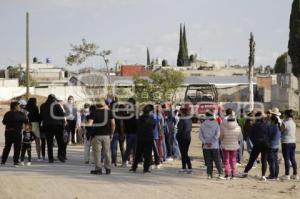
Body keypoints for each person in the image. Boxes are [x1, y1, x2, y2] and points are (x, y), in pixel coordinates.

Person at [88, 100, 115, 175]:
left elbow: (89, 124)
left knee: (97, 153)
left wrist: (90, 132)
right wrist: (112, 134)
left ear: (96, 105)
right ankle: (108, 168)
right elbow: (113, 124)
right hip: (106, 135)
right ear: (104, 105)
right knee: (107, 152)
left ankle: (98, 169)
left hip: (96, 135)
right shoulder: (109, 112)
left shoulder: (94, 112)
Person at [241, 111, 269, 181]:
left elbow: (250, 135)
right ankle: (263, 176)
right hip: (265, 144)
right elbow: (269, 134)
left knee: (252, 159)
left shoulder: (254, 125)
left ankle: (245, 172)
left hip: (257, 144)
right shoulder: (267, 125)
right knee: (264, 160)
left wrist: (254, 141)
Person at [130, 104, 156, 173]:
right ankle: (146, 168)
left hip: (140, 137)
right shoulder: (152, 118)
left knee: (138, 153)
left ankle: (134, 167)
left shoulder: (139, 118)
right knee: (148, 154)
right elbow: (153, 126)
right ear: (150, 111)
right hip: (149, 137)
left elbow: (136, 126)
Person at [40, 94, 66, 163]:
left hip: (47, 126)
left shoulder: (43, 105)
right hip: (57, 125)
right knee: (60, 142)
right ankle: (60, 156)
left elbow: (41, 116)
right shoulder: (56, 105)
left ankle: (50, 158)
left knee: (49, 143)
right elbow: (62, 115)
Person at [1, 101, 28, 166]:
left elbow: (4, 122)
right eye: (19, 106)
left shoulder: (7, 113)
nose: (20, 107)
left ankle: (3, 161)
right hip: (17, 132)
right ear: (15, 107)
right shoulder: (21, 114)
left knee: (7, 147)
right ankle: (15, 162)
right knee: (17, 147)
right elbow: (26, 122)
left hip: (8, 132)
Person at [199, 111, 224, 179]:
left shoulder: (203, 124)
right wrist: (212, 142)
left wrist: (206, 142)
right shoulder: (216, 124)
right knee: (217, 160)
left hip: (206, 146)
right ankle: (220, 173)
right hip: (214, 146)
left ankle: (209, 174)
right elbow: (217, 135)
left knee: (209, 161)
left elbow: (200, 136)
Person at [220, 111, 242, 179]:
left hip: (225, 145)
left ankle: (226, 174)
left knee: (226, 160)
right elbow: (240, 138)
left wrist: (223, 140)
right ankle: (233, 174)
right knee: (233, 160)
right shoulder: (238, 128)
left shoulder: (224, 127)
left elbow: (221, 137)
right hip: (234, 146)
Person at [281, 109, 299, 180]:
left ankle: (287, 174)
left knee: (286, 159)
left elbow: (280, 130)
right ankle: (295, 174)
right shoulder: (293, 123)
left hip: (286, 142)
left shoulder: (284, 123)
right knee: (292, 158)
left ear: (286, 115)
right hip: (293, 142)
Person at [177, 107, 193, 174]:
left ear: (182, 113)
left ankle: (187, 167)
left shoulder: (182, 120)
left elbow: (180, 131)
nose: (179, 113)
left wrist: (177, 137)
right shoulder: (189, 119)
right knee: (184, 153)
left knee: (184, 153)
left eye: (180, 112)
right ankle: (186, 167)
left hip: (182, 138)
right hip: (188, 137)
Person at [123, 98, 137, 167]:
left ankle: (127, 161)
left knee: (130, 148)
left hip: (131, 132)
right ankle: (130, 161)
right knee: (132, 148)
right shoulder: (129, 113)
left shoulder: (128, 113)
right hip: (131, 132)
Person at [267, 115, 281, 180]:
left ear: (272, 121)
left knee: (271, 161)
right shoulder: (278, 127)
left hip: (271, 146)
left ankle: (272, 175)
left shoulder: (272, 127)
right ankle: (276, 175)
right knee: (275, 161)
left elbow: (268, 136)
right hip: (276, 146)